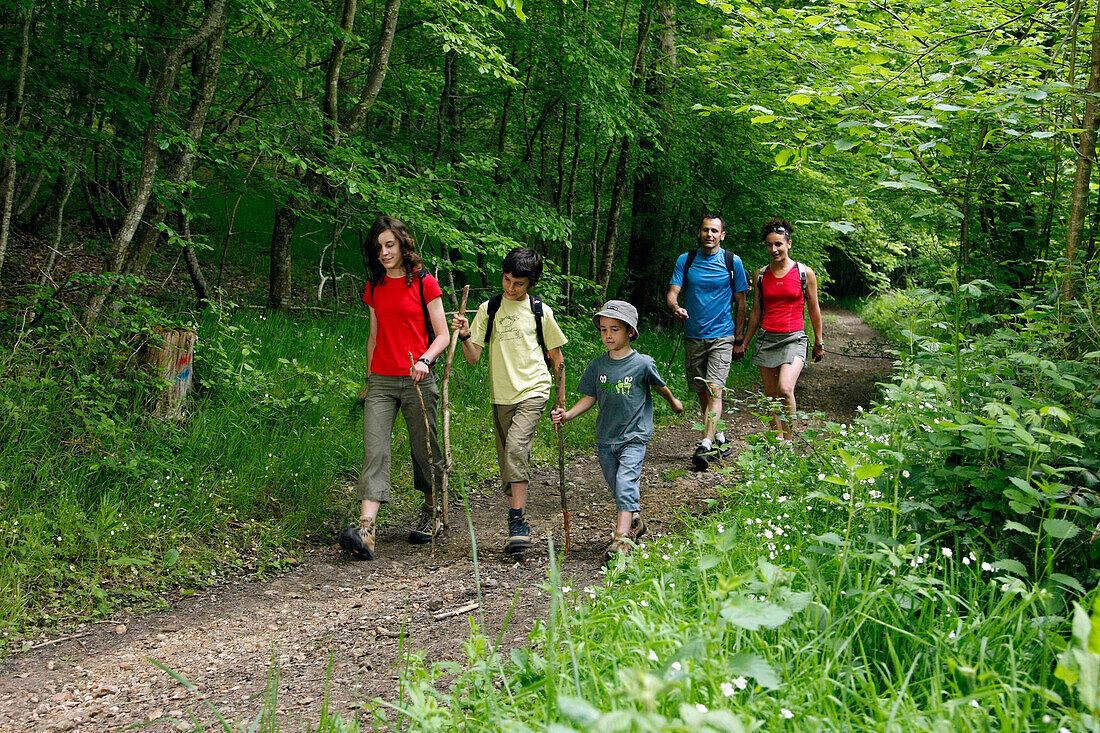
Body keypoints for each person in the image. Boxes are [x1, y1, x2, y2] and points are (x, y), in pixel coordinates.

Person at [339, 216, 450, 561]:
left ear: (403, 244)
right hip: (382, 381)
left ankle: (433, 511)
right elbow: (374, 337)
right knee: (375, 451)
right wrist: (367, 380)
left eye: (390, 245)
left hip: (418, 379)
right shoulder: (375, 287)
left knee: (425, 452)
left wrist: (424, 360)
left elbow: (443, 335)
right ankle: (366, 531)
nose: (385, 252)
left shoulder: (424, 283)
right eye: (379, 247)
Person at [450, 247, 567, 555]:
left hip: (534, 389)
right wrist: (463, 335)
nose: (510, 288)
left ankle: (517, 521)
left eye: (518, 284)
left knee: (516, 448)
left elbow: (557, 358)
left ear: (531, 284)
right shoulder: (489, 308)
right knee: (507, 459)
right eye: (506, 280)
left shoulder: (540, 311)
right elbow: (473, 357)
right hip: (501, 395)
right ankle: (517, 510)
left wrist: (561, 401)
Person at [551, 300, 683, 558]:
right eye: (603, 329)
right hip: (606, 437)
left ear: (630, 332)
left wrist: (673, 401)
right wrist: (567, 415)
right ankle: (635, 520)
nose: (608, 335)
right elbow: (590, 398)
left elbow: (659, 386)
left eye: (615, 329)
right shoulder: (597, 366)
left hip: (634, 435)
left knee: (625, 481)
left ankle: (621, 539)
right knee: (618, 485)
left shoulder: (643, 364)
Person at [666, 214, 750, 471]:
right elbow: (672, 293)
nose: (709, 234)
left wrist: (739, 338)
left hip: (722, 335)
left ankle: (705, 443)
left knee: (715, 388)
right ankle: (720, 437)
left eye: (715, 230)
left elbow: (742, 303)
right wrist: (675, 307)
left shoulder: (732, 261)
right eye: (705, 230)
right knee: (702, 390)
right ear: (700, 233)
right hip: (693, 335)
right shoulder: (686, 260)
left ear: (722, 235)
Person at [742, 218, 824, 442]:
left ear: (789, 244)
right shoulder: (761, 275)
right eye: (769, 244)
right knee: (770, 398)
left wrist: (819, 342)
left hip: (794, 338)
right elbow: (757, 312)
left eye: (778, 244)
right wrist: (746, 342)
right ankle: (775, 442)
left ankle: (787, 442)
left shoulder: (804, 273)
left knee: (785, 389)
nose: (773, 249)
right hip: (767, 338)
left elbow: (814, 310)